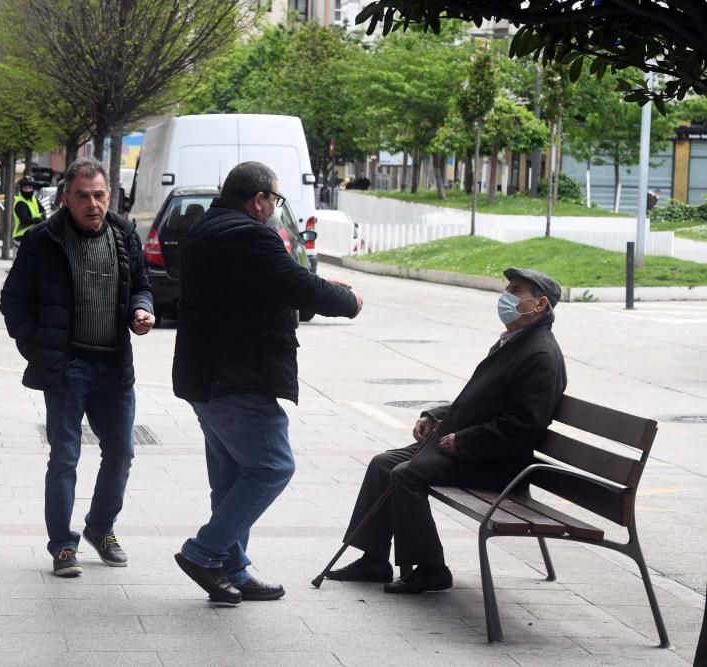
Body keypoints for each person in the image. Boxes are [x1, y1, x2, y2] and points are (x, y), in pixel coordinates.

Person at [171, 161, 363, 604]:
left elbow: (271, 282)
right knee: (272, 466)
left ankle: (231, 567)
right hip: (239, 376)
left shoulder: (204, 229)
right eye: (275, 200)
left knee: (232, 476)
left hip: (205, 377)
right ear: (258, 200)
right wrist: (349, 300)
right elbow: (298, 287)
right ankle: (204, 553)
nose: (275, 208)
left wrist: (311, 281)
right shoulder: (250, 234)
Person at [327, 268, 567, 594]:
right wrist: (435, 414)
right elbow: (478, 400)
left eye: (516, 290)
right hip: (473, 448)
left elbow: (524, 425)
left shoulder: (539, 353)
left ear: (539, 305)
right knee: (383, 463)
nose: (506, 296)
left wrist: (466, 441)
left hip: (497, 463)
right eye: (507, 288)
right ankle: (374, 559)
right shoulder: (515, 342)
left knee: (406, 474)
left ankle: (430, 569)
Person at [0, 157, 154, 577]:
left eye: (99, 195)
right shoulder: (43, 240)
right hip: (67, 368)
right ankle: (63, 546)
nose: (93, 204)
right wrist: (39, 350)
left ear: (110, 196)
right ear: (66, 198)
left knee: (121, 452)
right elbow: (13, 300)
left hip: (114, 366)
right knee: (65, 457)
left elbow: (141, 285)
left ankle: (100, 529)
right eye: (83, 196)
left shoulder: (124, 235)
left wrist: (142, 311)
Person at [12, 176, 45, 243]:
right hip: (22, 236)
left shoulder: (33, 199)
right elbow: (25, 220)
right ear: (21, 189)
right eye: (25, 188)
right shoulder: (20, 203)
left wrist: (42, 217)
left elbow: (42, 210)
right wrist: (38, 219)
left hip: (34, 233)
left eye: (30, 188)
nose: (28, 190)